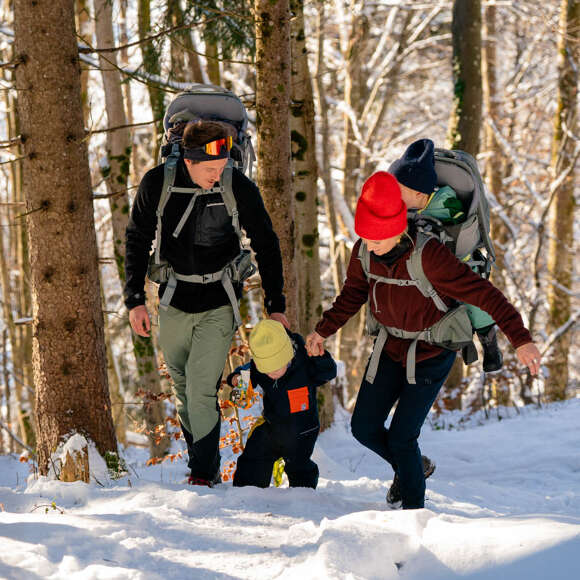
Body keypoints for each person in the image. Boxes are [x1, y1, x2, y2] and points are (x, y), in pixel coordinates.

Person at [306, 171, 541, 509]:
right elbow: (352, 294)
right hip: (390, 347)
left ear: (397, 227)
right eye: (365, 237)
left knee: (403, 437)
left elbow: (484, 294)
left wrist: (521, 339)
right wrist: (323, 330)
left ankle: (413, 513)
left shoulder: (429, 256)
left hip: (433, 351)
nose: (369, 245)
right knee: (364, 427)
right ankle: (414, 467)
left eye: (377, 238)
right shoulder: (364, 252)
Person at [124, 120, 289, 486]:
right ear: (188, 160)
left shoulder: (235, 184)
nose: (218, 174)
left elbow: (266, 240)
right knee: (182, 390)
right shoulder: (158, 182)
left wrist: (276, 303)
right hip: (172, 300)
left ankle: (201, 475)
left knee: (201, 388)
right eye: (211, 169)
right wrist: (134, 299)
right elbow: (137, 237)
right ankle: (208, 464)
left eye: (223, 166)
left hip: (219, 300)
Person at [390, 138, 503, 373]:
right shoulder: (404, 206)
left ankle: (488, 340)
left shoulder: (446, 202)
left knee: (473, 294)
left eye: (401, 191)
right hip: (416, 262)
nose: (396, 196)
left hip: (454, 257)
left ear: (419, 192)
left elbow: (454, 226)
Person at [226, 319, 337, 489]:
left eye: (276, 368)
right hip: (273, 426)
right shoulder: (259, 367)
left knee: (299, 464)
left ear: (288, 356)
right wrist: (236, 379)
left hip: (302, 430)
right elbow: (245, 379)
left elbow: (328, 372)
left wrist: (320, 358)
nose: (271, 374)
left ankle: (304, 495)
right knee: (255, 453)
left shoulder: (305, 363)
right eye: (266, 369)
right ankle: (247, 491)